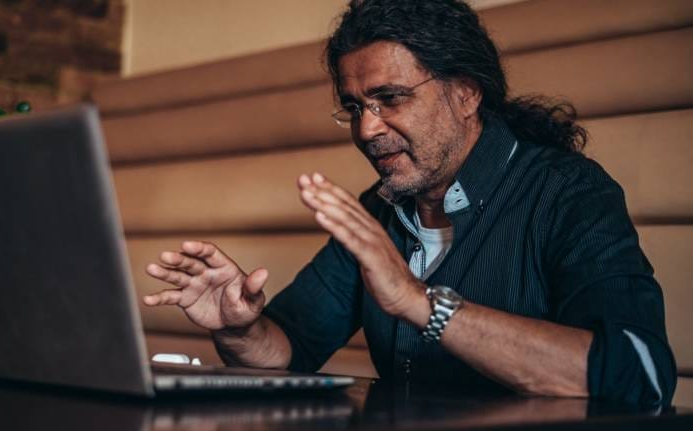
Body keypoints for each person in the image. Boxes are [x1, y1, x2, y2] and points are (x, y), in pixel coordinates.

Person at [143, 0, 675, 409]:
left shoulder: (569, 192)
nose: (366, 129)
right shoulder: (379, 208)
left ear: (466, 93)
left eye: (391, 99)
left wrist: (418, 300)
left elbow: (640, 375)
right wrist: (238, 328)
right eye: (355, 107)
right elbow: (286, 351)